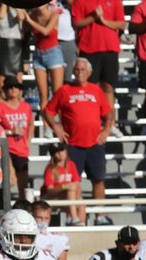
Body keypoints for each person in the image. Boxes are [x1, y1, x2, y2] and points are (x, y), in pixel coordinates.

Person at [43, 58, 114, 209]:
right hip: (73, 144)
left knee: (99, 180)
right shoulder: (64, 90)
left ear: (89, 72)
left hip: (95, 143)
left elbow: (108, 112)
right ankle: (76, 215)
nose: (79, 72)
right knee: (73, 182)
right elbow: (48, 111)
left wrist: (106, 129)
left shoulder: (96, 90)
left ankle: (100, 215)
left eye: (83, 70)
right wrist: (56, 127)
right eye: (77, 69)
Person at [72, 0, 125, 107]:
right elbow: (76, 23)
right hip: (88, 49)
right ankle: (91, 116)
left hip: (110, 48)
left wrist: (104, 21)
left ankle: (109, 117)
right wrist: (93, 17)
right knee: (89, 88)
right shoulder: (79, 1)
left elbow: (121, 24)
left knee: (108, 87)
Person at [0, 76, 34, 200]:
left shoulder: (26, 106)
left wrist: (28, 140)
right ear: (5, 90)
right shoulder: (0, 107)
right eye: (10, 87)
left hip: (21, 149)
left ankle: (23, 207)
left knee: (23, 185)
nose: (13, 89)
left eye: (16, 87)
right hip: (6, 150)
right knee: (7, 183)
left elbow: (31, 124)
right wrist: (10, 132)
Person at [23, 3, 64, 111]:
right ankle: (45, 120)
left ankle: (58, 120)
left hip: (53, 53)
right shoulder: (32, 15)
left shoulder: (54, 14)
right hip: (38, 54)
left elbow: (46, 31)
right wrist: (24, 18)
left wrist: (30, 21)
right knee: (43, 95)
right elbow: (24, 31)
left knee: (57, 94)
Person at [41, 142, 84, 225]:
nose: (60, 153)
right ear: (53, 155)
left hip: (68, 197)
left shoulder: (71, 165)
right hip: (51, 197)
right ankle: (74, 218)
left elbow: (76, 183)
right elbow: (49, 191)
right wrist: (64, 187)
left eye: (62, 150)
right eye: (56, 152)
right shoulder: (50, 169)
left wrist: (77, 196)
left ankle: (80, 226)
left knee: (81, 204)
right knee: (70, 191)